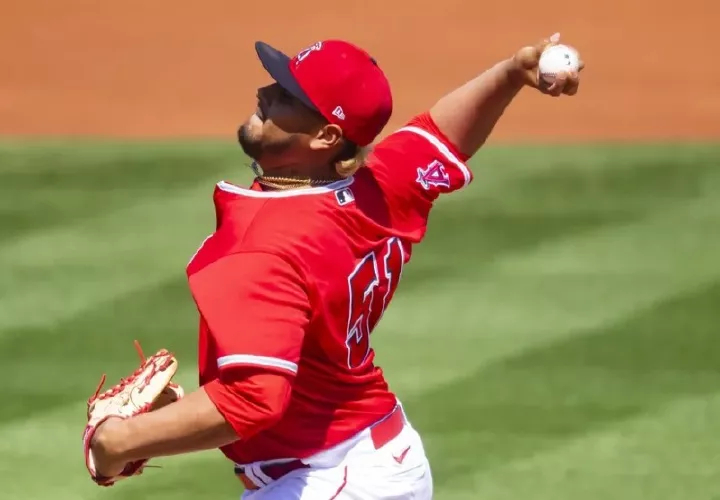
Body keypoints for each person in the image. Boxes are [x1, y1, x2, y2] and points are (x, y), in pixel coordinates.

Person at [87, 33, 583, 499]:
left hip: (331, 476)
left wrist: (121, 442)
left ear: (325, 136)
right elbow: (442, 135)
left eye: (285, 96)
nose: (263, 92)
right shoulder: (378, 190)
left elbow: (254, 398)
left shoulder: (262, 245)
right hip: (377, 457)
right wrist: (509, 75)